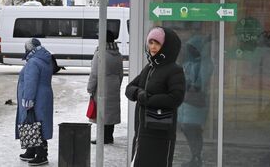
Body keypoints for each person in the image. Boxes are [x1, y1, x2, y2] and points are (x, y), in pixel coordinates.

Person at [125, 26, 186, 167]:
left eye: (157, 43)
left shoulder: (174, 70)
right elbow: (129, 88)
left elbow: (176, 97)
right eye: (150, 42)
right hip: (142, 131)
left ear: (166, 46)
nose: (153, 47)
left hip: (160, 133)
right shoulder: (149, 67)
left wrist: (148, 100)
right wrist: (139, 93)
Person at [16, 38, 54, 166]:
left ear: (29, 48)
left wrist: (28, 99)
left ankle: (42, 155)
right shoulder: (45, 59)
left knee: (35, 124)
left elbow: (30, 83)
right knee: (35, 123)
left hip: (36, 97)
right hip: (44, 96)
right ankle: (31, 150)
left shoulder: (33, 62)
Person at [177, 35, 213, 167]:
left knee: (193, 131)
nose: (190, 51)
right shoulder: (189, 63)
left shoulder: (204, 64)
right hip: (187, 104)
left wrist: (188, 83)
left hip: (194, 104)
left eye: (192, 48)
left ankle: (196, 157)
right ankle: (195, 157)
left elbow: (199, 85)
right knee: (190, 131)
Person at [86, 30, 124, 144]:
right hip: (114, 86)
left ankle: (102, 138)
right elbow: (121, 73)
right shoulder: (118, 54)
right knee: (111, 113)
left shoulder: (100, 54)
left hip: (102, 87)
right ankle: (109, 136)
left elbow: (94, 74)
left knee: (101, 112)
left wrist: (90, 88)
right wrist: (117, 84)